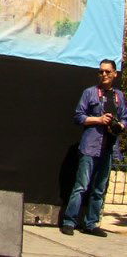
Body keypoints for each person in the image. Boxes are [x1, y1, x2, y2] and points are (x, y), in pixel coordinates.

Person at [60, 59, 126, 237]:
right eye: (101, 72)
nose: (103, 74)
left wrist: (120, 125)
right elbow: (78, 116)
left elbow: (125, 118)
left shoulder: (119, 96)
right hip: (90, 147)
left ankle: (91, 223)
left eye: (107, 71)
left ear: (114, 74)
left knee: (99, 188)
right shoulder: (89, 93)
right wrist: (98, 120)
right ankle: (69, 222)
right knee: (81, 186)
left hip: (109, 148)